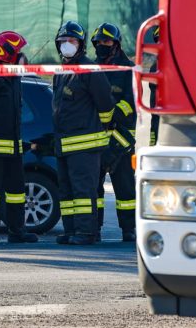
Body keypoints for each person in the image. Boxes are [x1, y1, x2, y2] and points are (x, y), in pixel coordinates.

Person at [51, 21, 115, 245]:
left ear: (80, 44)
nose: (67, 44)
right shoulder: (61, 71)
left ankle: (86, 232)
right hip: (64, 143)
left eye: (72, 40)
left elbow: (106, 104)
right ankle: (71, 230)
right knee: (67, 193)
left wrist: (100, 127)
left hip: (85, 145)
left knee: (83, 192)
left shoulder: (90, 69)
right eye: (63, 41)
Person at [0, 31, 38, 243]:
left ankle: (17, 230)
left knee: (16, 192)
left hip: (14, 145)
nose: (22, 55)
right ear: (7, 52)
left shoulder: (13, 75)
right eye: (19, 51)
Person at [91, 22, 136, 243]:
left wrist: (113, 114)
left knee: (125, 188)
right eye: (99, 42)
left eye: (106, 41)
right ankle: (95, 227)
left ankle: (129, 229)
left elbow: (132, 102)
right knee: (95, 189)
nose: (102, 45)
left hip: (121, 139)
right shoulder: (91, 68)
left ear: (116, 44)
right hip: (97, 138)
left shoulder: (128, 69)